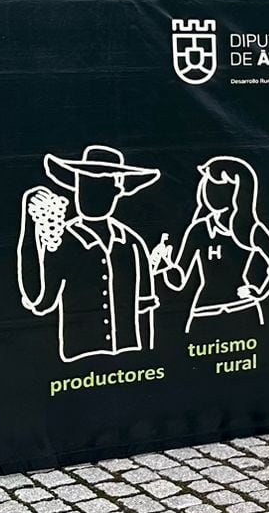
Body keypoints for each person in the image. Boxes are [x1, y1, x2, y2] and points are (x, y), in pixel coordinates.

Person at [18, 144, 163, 364]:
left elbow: (144, 308)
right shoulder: (62, 240)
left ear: (116, 193)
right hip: (81, 358)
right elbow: (40, 301)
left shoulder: (132, 243)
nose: (92, 194)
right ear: (77, 188)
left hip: (130, 357)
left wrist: (148, 357)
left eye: (102, 187)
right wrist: (31, 227)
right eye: (87, 184)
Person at [154, 156, 269, 334]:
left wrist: (259, 292)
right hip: (204, 313)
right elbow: (178, 281)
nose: (206, 187)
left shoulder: (249, 229)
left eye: (213, 182)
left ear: (233, 190)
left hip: (243, 309)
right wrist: (164, 263)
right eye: (207, 181)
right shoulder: (199, 229)